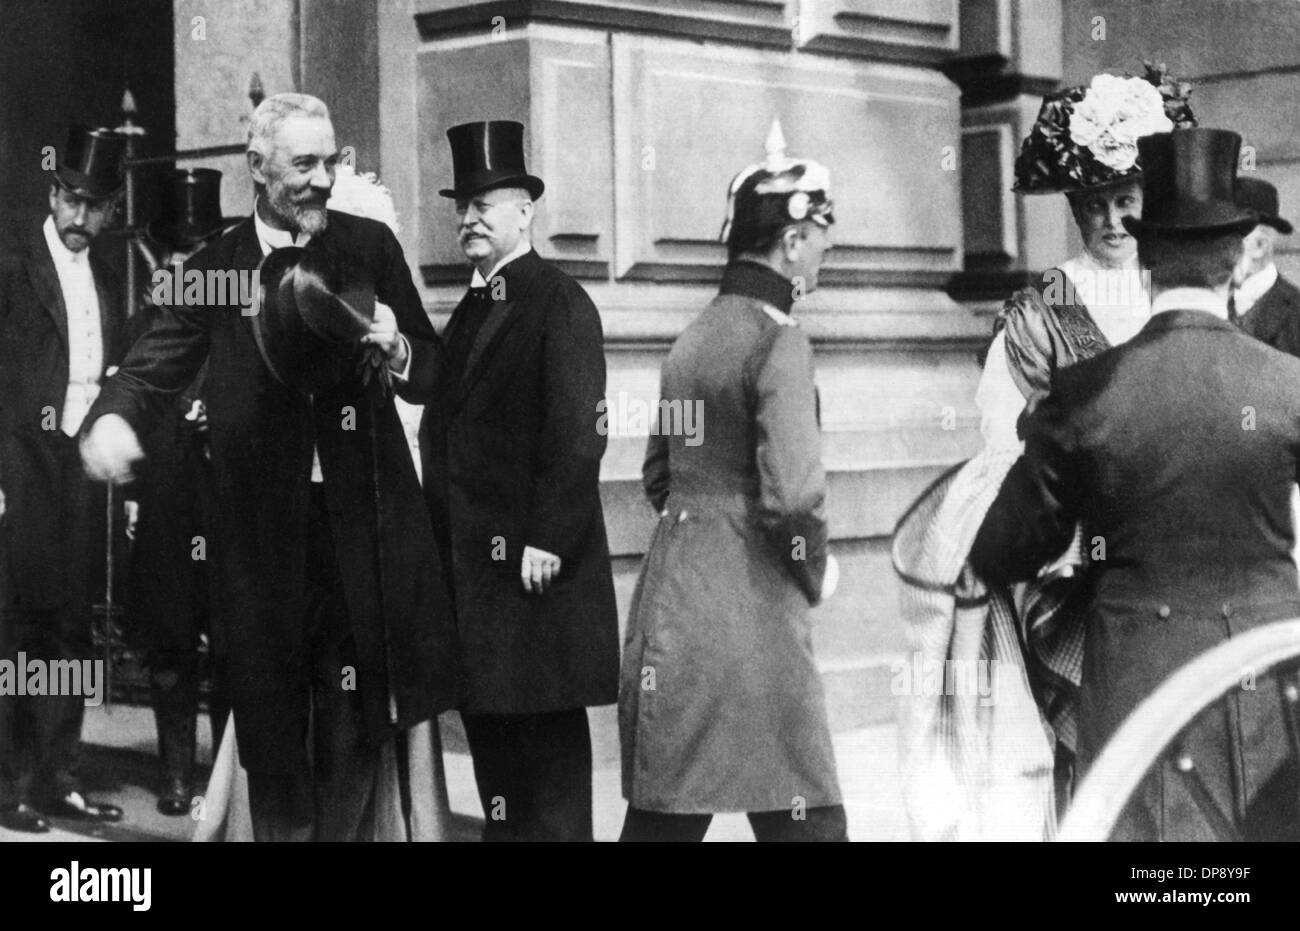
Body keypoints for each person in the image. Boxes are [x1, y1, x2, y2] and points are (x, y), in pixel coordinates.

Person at [79, 93, 462, 842]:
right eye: (304, 163)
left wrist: (399, 347)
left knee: (356, 729)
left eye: (331, 160)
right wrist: (114, 417)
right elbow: (150, 366)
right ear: (257, 167)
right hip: (261, 551)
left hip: (362, 541)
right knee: (272, 736)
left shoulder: (368, 246)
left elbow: (433, 372)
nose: (323, 179)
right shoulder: (215, 269)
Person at [970, 128, 1300, 842]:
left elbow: (1002, 549)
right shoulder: (1289, 385)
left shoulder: (1086, 393)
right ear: (1237, 256)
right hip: (1270, 679)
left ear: (1146, 255)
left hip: (1134, 686)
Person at [891, 65, 1194, 840]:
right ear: (1073, 208)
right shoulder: (1042, 309)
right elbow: (1002, 446)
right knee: (1092, 757)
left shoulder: (1179, 293)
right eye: (1093, 205)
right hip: (1074, 571)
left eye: (1125, 201)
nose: (1112, 221)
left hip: (1177, 555)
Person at [618, 120, 846, 843]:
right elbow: (794, 497)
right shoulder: (781, 340)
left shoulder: (693, 339)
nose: (828, 247)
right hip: (752, 613)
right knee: (808, 814)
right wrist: (815, 570)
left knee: (667, 813)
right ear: (790, 241)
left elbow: (660, 474)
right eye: (822, 233)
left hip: (673, 600)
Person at [421, 120, 618, 842]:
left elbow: (580, 431)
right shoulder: (471, 307)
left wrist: (547, 537)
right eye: (462, 205)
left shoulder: (558, 302)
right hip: (478, 586)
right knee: (499, 773)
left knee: (551, 779)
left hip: (538, 584)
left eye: (486, 203)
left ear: (525, 211)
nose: (469, 218)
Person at [0, 126, 129, 833]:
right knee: (19, 626)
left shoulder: (106, 280)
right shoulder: (14, 266)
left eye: (97, 206)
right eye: (73, 200)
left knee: (72, 629)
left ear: (111, 210)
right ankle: (10, 782)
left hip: (79, 468)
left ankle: (58, 777)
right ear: (54, 194)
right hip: (20, 465)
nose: (82, 218)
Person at [124, 167, 236, 816]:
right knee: (169, 642)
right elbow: (129, 407)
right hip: (166, 498)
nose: (187, 263)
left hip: (223, 502)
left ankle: (222, 783)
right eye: (178, 253)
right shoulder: (145, 326)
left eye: (199, 253)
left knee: (227, 640)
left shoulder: (240, 321)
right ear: (164, 258)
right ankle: (174, 774)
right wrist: (135, 496)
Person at [1233, 177, 1300, 348]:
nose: (1219, 250)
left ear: (1259, 246)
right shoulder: (1208, 306)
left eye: (1230, 240)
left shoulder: (1296, 312)